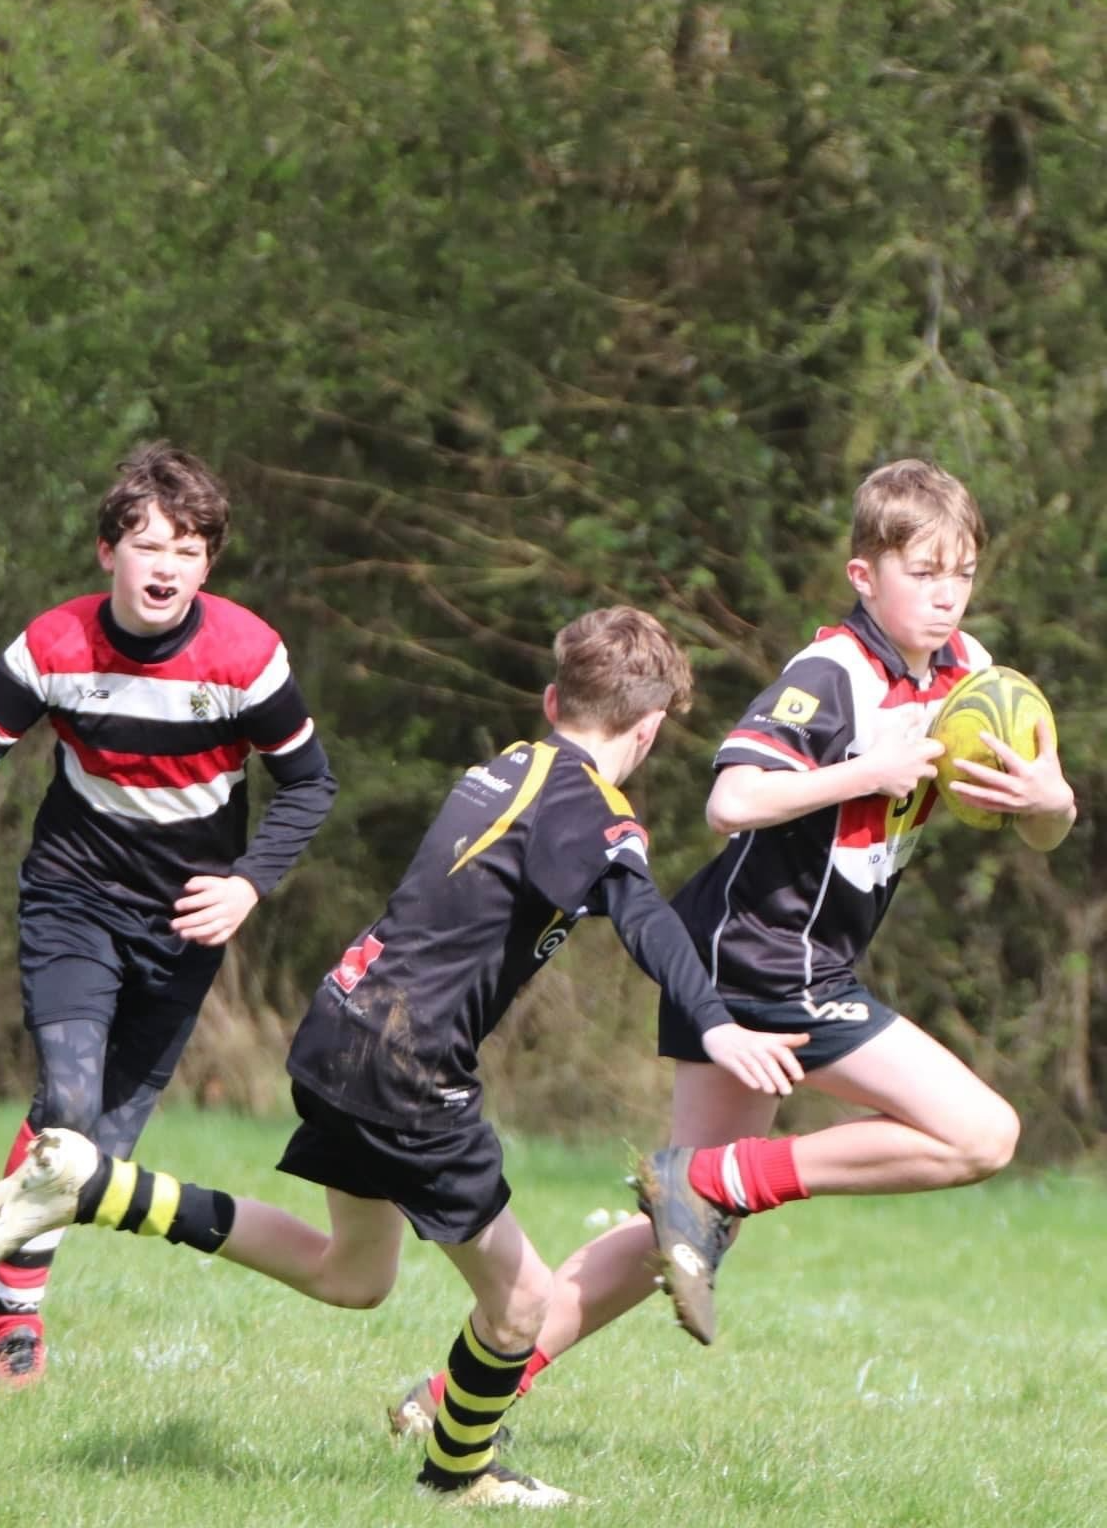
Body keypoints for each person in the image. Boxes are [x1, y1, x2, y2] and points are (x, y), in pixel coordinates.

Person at [0, 606, 806, 1505]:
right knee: (522, 1305)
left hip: (339, 1024)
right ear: (648, 732)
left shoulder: (506, 768)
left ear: (550, 699)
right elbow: (646, 918)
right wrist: (719, 1024)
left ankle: (92, 1187)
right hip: (408, 1069)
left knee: (354, 1274)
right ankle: (458, 1477)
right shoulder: (594, 812)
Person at [388, 456, 1077, 1431]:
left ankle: (454, 1396)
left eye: (959, 571)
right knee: (982, 1133)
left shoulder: (974, 678)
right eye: (922, 571)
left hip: (773, 960)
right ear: (862, 575)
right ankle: (711, 1183)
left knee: (678, 1230)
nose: (945, 592)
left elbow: (1043, 825)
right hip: (763, 958)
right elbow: (731, 801)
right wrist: (867, 770)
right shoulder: (832, 672)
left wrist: (1053, 801)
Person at [0, 441, 338, 1385]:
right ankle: (14, 1319)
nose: (167, 567)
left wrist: (248, 883)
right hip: (73, 891)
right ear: (109, 552)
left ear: (208, 564)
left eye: (187, 550)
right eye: (149, 545)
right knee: (65, 1097)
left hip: (186, 916)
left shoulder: (247, 655)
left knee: (101, 1153)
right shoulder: (51, 647)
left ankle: (5, 1242)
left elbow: (309, 785)